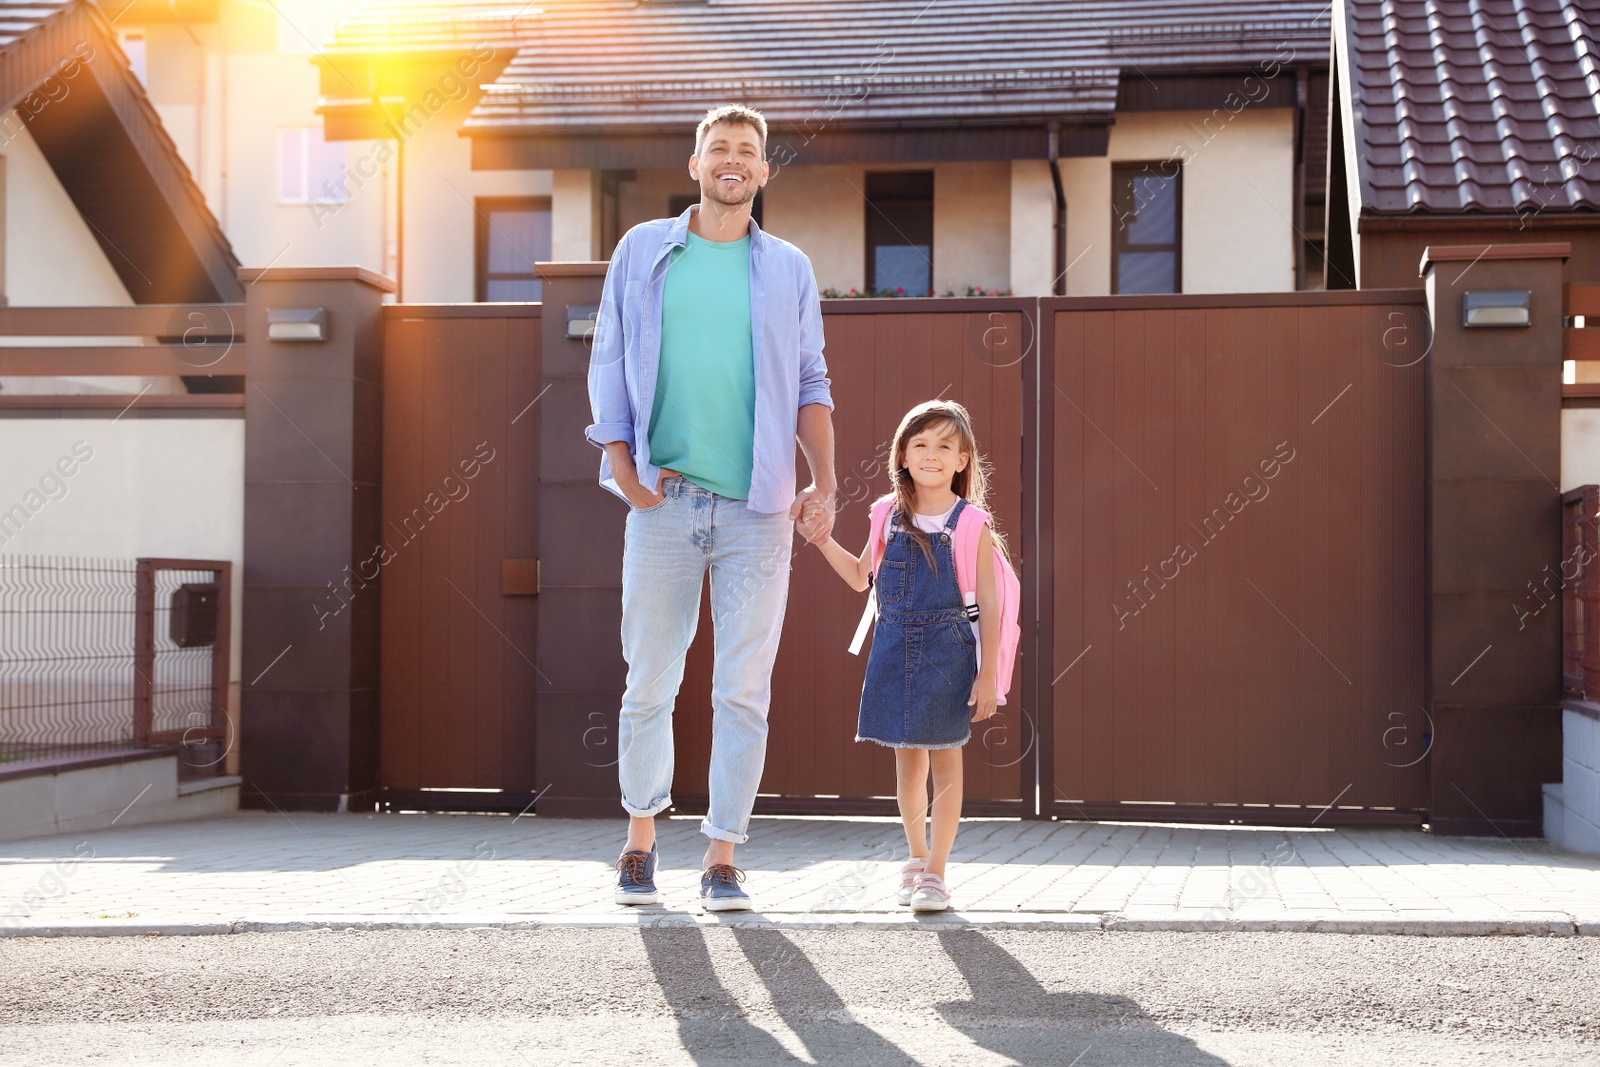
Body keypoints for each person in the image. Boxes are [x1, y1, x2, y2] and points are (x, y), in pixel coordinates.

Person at [585, 103, 836, 912]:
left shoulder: (789, 268)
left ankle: (722, 856)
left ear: (764, 172)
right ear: (695, 165)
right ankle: (638, 843)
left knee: (741, 690)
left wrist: (823, 481)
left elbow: (811, 383)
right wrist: (623, 470)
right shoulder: (642, 253)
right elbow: (610, 357)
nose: (733, 160)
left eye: (748, 151)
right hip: (662, 501)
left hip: (757, 509)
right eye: (718, 148)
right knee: (649, 680)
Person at [813, 400, 1002, 912]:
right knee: (906, 763)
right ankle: (916, 859)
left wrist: (988, 675)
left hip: (949, 650)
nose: (932, 454)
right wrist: (822, 540)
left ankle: (937, 874)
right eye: (920, 444)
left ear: (963, 460)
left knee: (946, 763)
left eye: (945, 446)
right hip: (892, 645)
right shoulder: (884, 515)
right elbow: (860, 578)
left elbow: (991, 601)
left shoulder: (971, 523)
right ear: (902, 454)